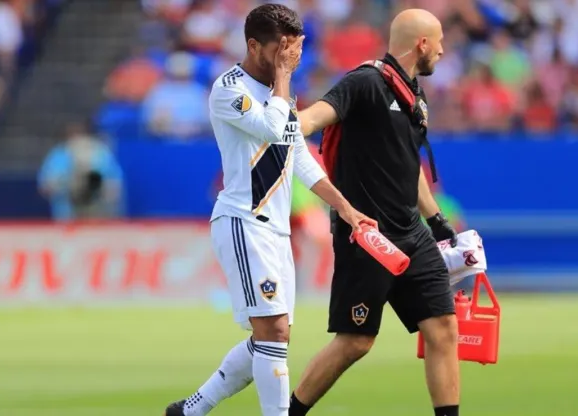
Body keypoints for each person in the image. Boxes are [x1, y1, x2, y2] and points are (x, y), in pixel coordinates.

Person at [164, 4, 375, 416]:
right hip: (243, 221)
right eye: (282, 50)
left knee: (272, 339)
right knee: (273, 332)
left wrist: (345, 208)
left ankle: (191, 409)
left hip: (276, 229)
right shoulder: (229, 88)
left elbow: (298, 156)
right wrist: (283, 77)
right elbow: (273, 128)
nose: (289, 59)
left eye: (293, 50)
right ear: (253, 45)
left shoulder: (283, 96)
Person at [289, 8, 462, 416]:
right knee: (355, 342)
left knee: (443, 329)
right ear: (421, 44)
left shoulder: (413, 95)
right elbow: (316, 116)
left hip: (411, 232)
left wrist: (436, 221)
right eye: (437, 41)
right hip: (367, 236)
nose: (441, 49)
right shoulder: (365, 82)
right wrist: (287, 125)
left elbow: (409, 164)